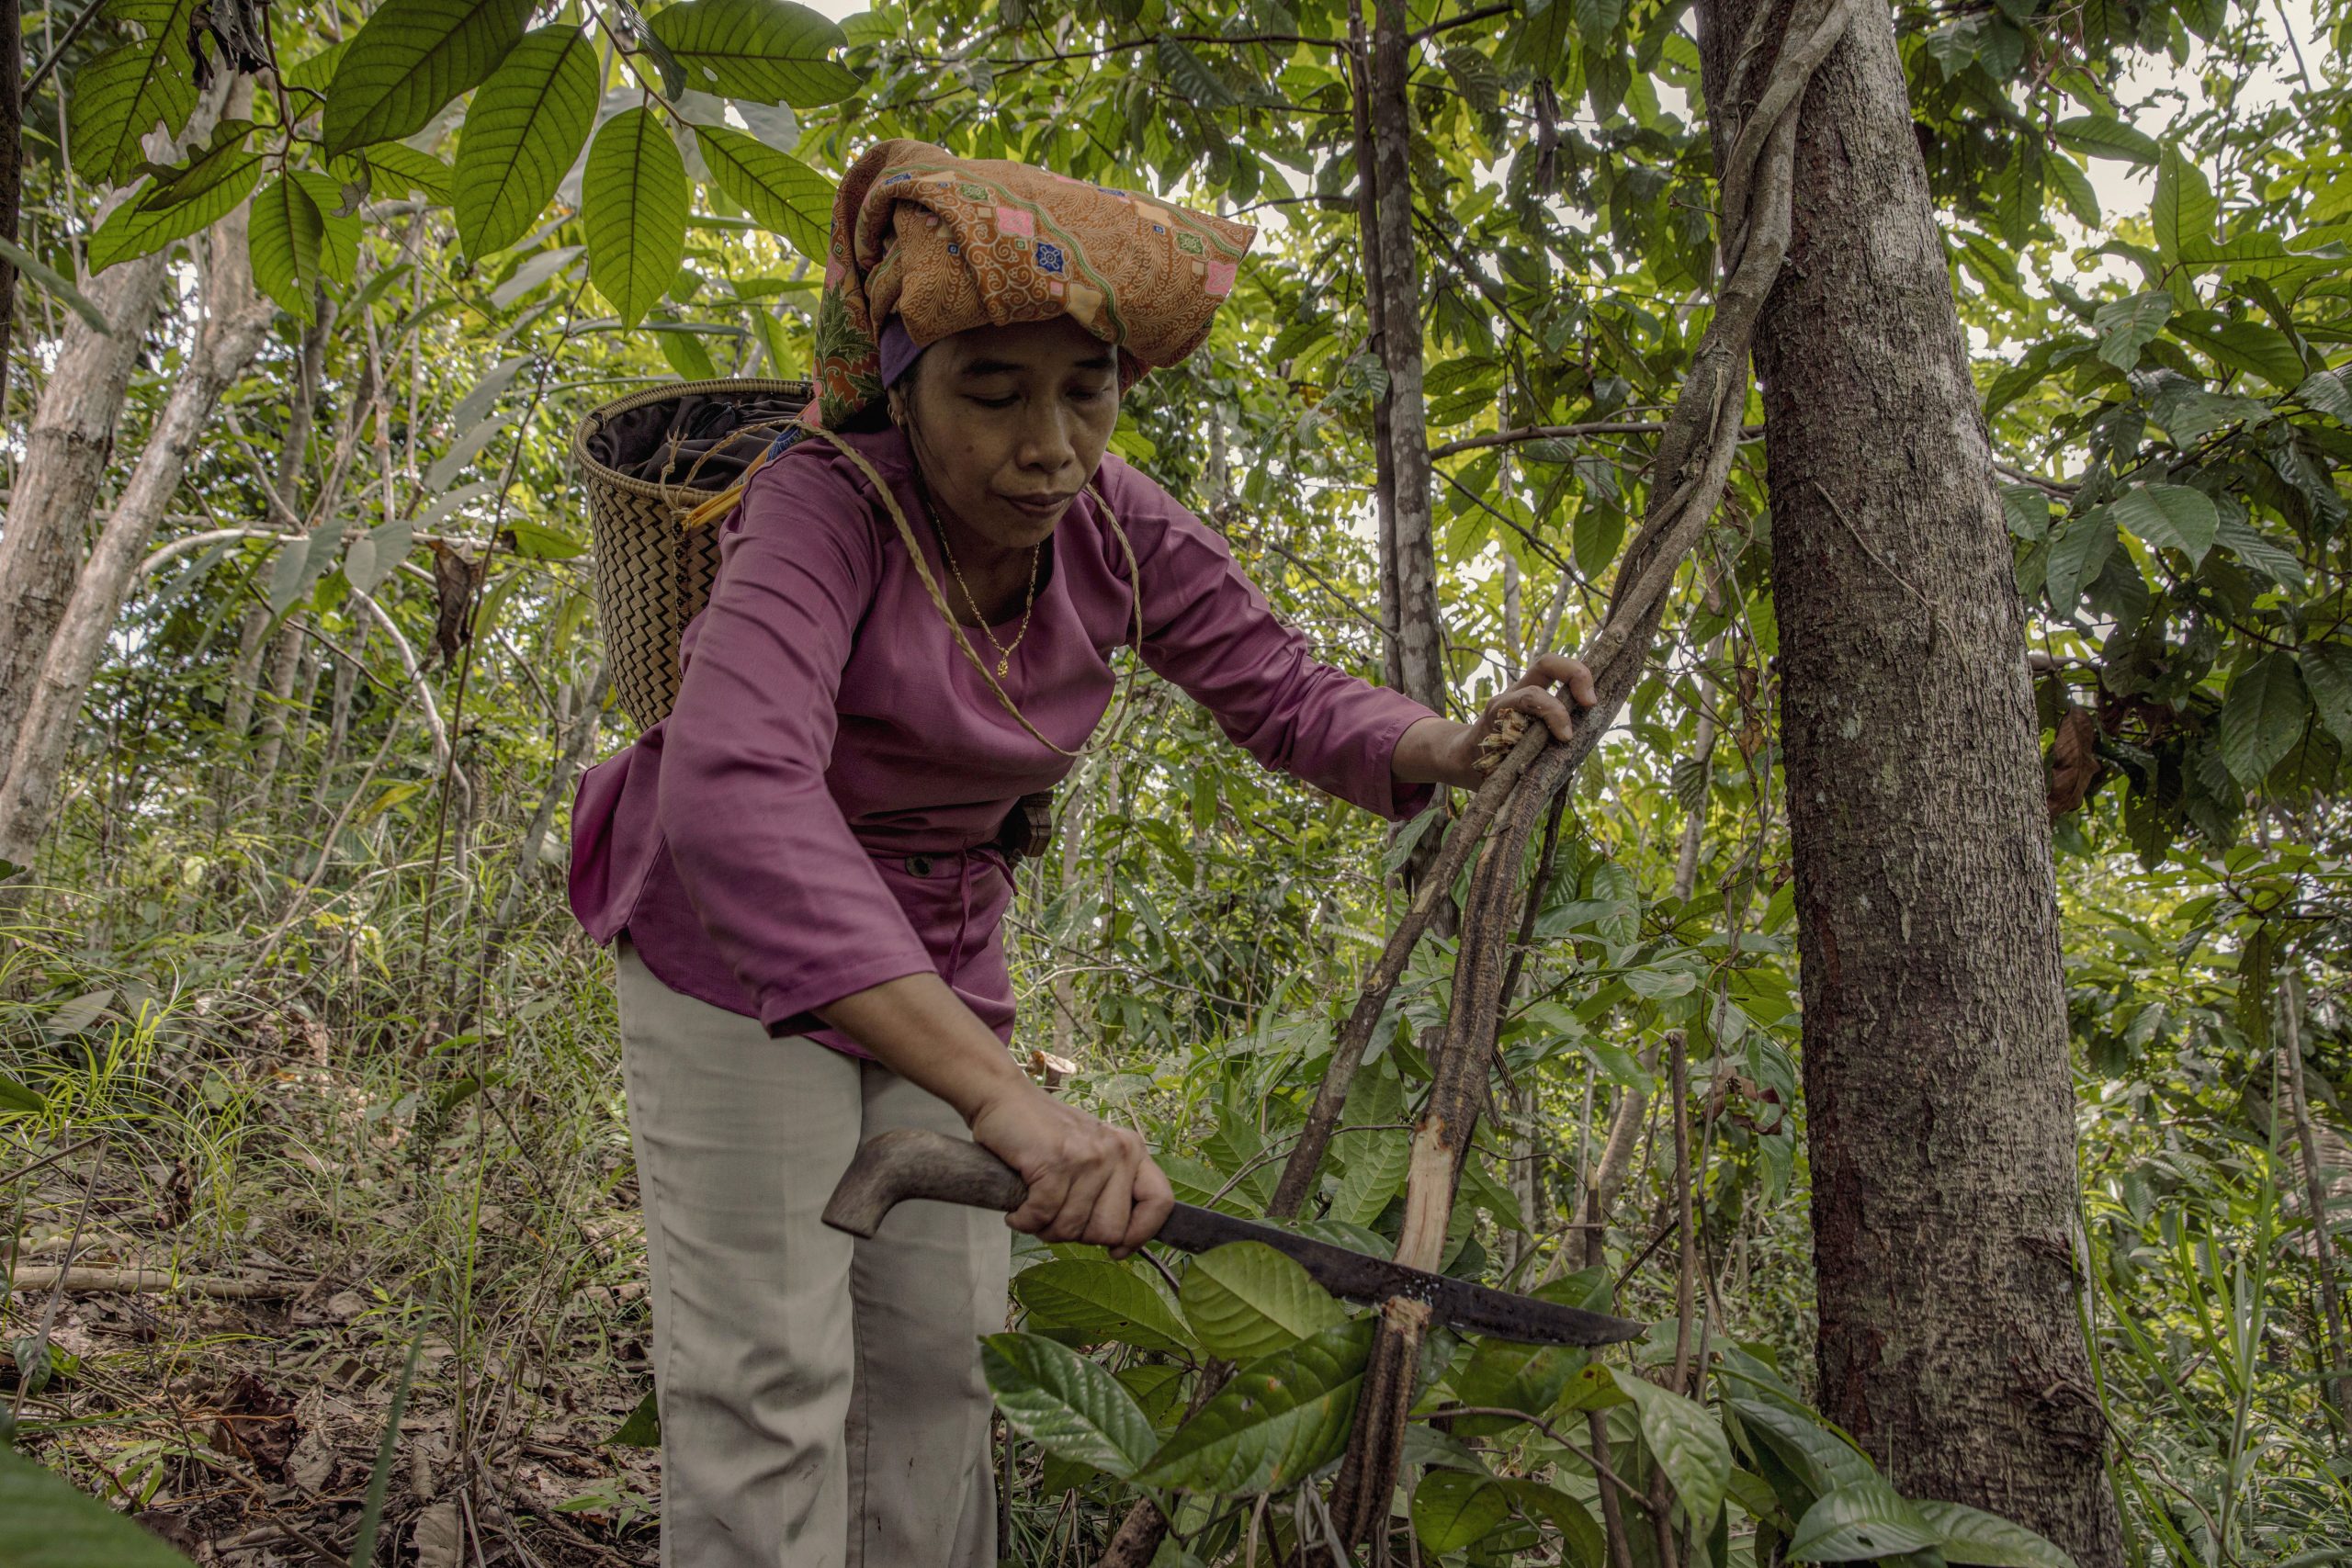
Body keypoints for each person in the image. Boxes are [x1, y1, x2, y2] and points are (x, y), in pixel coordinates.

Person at [568, 138, 1595, 1568]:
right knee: (771, 1385)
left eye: (1086, 393)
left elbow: (1282, 689)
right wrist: (1006, 1102)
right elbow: (738, 790)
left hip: (939, 946)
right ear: (902, 383)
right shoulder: (821, 507)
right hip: (731, 955)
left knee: (940, 1369)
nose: (1049, 444)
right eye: (993, 394)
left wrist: (1442, 745)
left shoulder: (1115, 522)